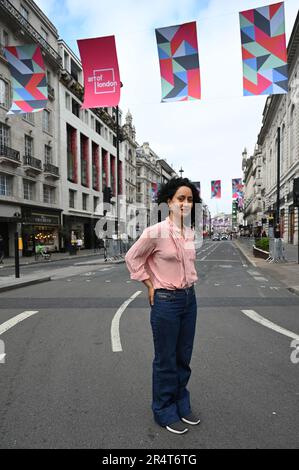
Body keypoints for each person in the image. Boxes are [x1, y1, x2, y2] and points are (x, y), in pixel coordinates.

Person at [125, 177, 201, 435]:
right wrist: (149, 285)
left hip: (190, 300)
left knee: (184, 357)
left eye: (190, 199)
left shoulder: (190, 232)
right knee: (166, 359)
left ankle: (181, 404)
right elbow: (132, 258)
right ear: (169, 201)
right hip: (166, 302)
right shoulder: (155, 232)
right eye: (181, 198)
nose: (185, 203)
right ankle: (164, 410)